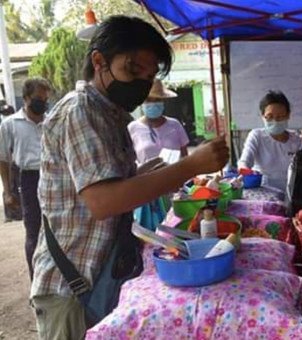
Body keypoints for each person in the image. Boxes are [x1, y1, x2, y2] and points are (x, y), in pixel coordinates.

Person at [31, 16, 229, 339]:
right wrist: (191, 165)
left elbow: (106, 186)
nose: (140, 83)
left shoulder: (111, 116)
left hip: (102, 276)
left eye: (148, 76)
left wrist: (148, 175)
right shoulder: (81, 111)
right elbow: (104, 201)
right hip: (71, 286)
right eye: (132, 70)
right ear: (99, 61)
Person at [0, 78, 51, 279]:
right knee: (34, 230)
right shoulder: (10, 124)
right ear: (26, 98)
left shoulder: (51, 121)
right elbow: (3, 158)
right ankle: (36, 281)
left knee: (58, 229)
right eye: (38, 98)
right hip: (29, 178)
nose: (43, 103)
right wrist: (7, 191)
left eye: (46, 99)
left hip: (53, 176)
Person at [238, 90, 302, 191]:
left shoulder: (297, 139)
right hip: (263, 191)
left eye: (280, 117)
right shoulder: (257, 136)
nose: (275, 121)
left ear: (288, 115)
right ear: (263, 116)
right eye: (270, 117)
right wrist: (245, 171)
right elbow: (245, 161)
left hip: (292, 192)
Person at [128, 79, 189, 164]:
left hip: (175, 175)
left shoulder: (175, 125)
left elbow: (185, 157)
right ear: (142, 102)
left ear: (163, 101)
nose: (153, 103)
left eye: (157, 100)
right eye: (149, 100)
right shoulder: (133, 128)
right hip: (147, 176)